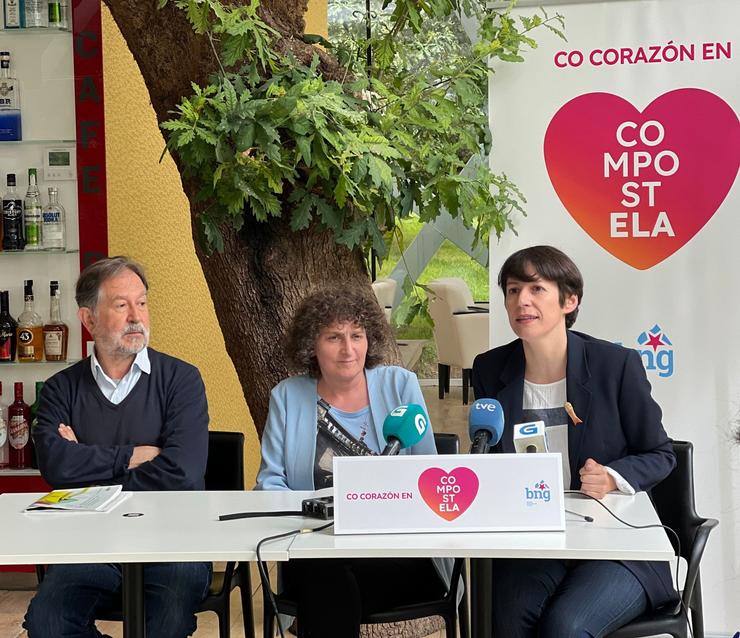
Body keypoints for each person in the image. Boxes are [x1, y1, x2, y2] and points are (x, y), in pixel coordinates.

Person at [472, 245, 678, 638]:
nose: (522, 301)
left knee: (567, 626)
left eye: (536, 289)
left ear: (570, 300)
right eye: (513, 291)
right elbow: (489, 453)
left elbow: (660, 454)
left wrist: (614, 476)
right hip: (534, 544)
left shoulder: (615, 366)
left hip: (615, 547)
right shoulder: (490, 368)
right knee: (504, 617)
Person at [24, 256, 211, 638]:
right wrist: (133, 455)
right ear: (88, 319)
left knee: (166, 624)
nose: (136, 316)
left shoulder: (182, 381)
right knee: (48, 622)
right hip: (89, 546)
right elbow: (56, 467)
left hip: (172, 544)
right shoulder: (61, 388)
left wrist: (91, 476)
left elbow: (184, 471)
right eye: (121, 305)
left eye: (141, 303)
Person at [255, 285, 451, 638]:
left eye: (356, 336)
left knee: (327, 586)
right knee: (327, 576)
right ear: (311, 345)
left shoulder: (400, 385)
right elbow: (269, 483)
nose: (348, 349)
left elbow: (429, 477)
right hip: (316, 547)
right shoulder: (286, 396)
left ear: (369, 340)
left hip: (396, 554)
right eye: (333, 337)